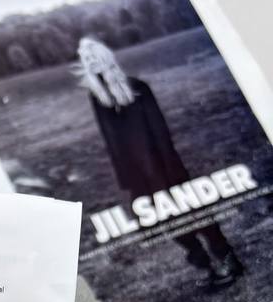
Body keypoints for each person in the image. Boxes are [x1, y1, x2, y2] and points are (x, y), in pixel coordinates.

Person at [77, 36, 244, 288]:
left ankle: (227, 258)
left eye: (94, 56)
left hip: (163, 164)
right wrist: (126, 178)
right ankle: (205, 266)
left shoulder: (138, 87)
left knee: (192, 210)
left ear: (105, 57)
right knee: (160, 220)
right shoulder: (98, 98)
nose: (91, 62)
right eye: (86, 59)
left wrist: (170, 166)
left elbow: (160, 131)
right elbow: (111, 141)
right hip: (136, 173)